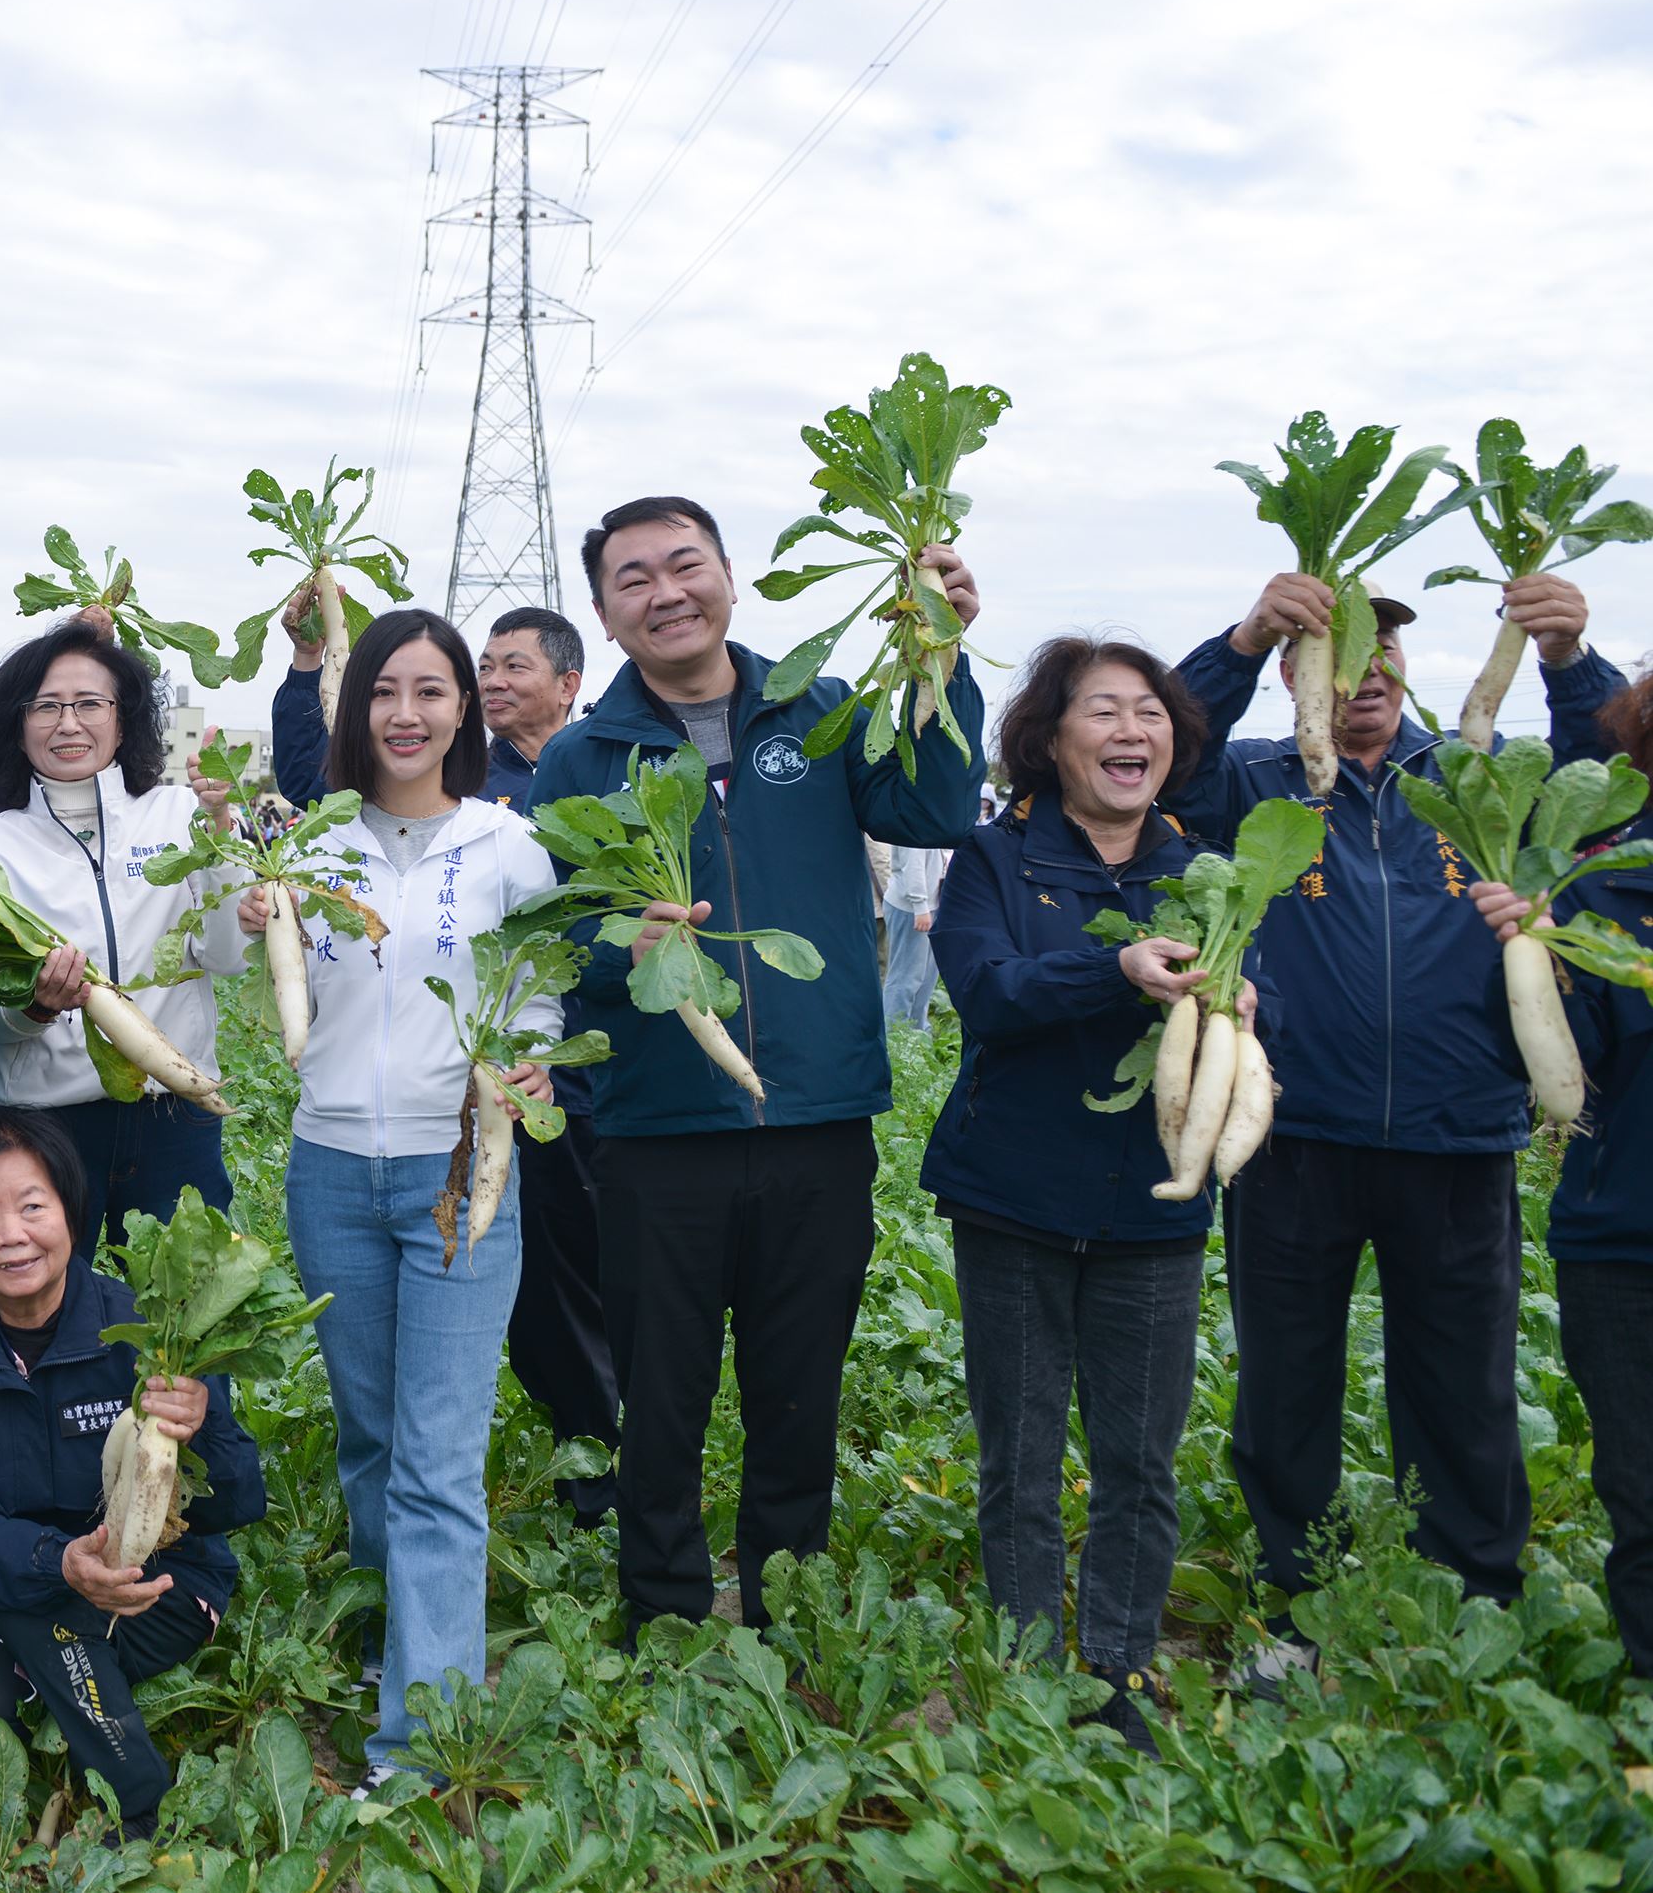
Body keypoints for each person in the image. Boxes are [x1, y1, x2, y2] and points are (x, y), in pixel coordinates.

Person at [526, 496, 988, 1638]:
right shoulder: (584, 756)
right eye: (634, 578)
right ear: (604, 612)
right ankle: (664, 1603)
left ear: (730, 577)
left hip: (816, 1112)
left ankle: (785, 1597)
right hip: (659, 1127)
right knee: (662, 1384)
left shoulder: (820, 710)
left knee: (800, 1379)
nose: (665, 592)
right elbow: (553, 944)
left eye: (685, 565)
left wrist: (942, 658)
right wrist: (613, 946)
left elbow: (935, 804)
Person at [1164, 574, 1619, 1677]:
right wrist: (1242, 638)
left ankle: (1476, 1591)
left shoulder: (1470, 778)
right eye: (1337, 655)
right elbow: (1161, 741)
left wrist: (1565, 660)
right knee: (1285, 1377)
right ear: (1297, 675)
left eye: (1385, 652)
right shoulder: (1252, 781)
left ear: (1409, 664)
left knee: (1463, 1381)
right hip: (1294, 1135)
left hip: (1458, 1133)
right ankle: (1297, 1590)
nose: (1365, 675)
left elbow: (1608, 775)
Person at [244, 609, 561, 1783]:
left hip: (459, 1168)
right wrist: (250, 919)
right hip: (330, 1166)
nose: (406, 713)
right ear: (354, 709)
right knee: (373, 1439)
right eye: (384, 689)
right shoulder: (312, 844)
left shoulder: (508, 848)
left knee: (437, 1454)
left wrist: (533, 1055)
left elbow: (542, 993)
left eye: (432, 690)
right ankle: (410, 1635)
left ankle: (419, 1739)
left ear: (465, 711)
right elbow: (244, 973)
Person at [921, 638, 1245, 1756]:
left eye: (1148, 713)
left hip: (1157, 1204)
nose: (1130, 732)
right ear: (1050, 739)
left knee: (1140, 1457)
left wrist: (1244, 1001)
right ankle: (1024, 1672)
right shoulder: (992, 859)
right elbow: (987, 991)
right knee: (1018, 1449)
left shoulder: (1207, 872)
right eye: (1101, 710)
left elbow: (1257, 1009)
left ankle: (1118, 1667)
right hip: (1012, 1194)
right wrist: (1109, 970)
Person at [0, 1108, 267, 1840]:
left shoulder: (144, 1328)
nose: (11, 1235)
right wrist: (58, 1564)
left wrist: (204, 1425)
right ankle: (64, 1669)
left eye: (32, 1207)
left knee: (27, 1642)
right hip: (34, 1578)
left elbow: (239, 1500)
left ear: (72, 1212)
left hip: (157, 1585)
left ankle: (140, 1804)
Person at [0, 619, 243, 1254]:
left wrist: (221, 830)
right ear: (18, 726)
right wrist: (38, 1004)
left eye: (90, 704)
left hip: (174, 1108)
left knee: (197, 1316)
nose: (69, 724)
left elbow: (229, 956)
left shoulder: (181, 814)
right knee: (39, 1311)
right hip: (40, 1123)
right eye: (45, 707)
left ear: (124, 722)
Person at [1471, 666, 1653, 1677]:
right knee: (1645, 1491)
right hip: (1626, 1243)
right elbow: (1553, 1070)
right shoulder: (1604, 894)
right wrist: (1529, 952)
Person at [474, 606, 620, 1524]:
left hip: (614, 1058)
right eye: (484, 664)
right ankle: (586, 1447)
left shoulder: (612, 766)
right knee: (546, 1268)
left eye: (513, 665)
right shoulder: (468, 780)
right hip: (520, 1068)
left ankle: (622, 1432)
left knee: (613, 1258)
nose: (492, 679)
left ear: (568, 683)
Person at [881, 844, 950, 1032]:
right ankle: (894, 1038)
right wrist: (920, 906)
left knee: (927, 979)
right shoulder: (918, 823)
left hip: (934, 905)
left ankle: (918, 1034)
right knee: (905, 978)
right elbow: (913, 865)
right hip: (911, 909)